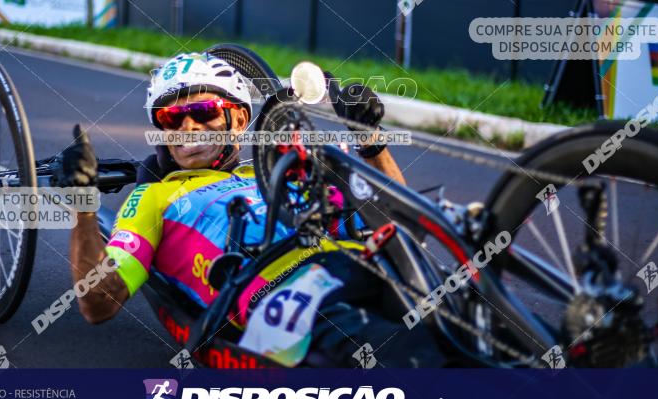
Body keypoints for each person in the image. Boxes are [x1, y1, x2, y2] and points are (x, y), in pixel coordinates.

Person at [59, 52, 443, 367]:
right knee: (415, 358)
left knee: (473, 320)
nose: (189, 128)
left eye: (205, 112)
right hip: (285, 298)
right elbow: (97, 304)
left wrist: (369, 140)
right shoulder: (153, 198)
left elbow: (399, 222)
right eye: (172, 119)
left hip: (368, 266)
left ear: (239, 119)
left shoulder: (280, 166)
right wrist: (83, 205)